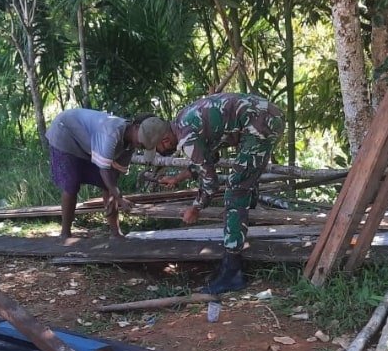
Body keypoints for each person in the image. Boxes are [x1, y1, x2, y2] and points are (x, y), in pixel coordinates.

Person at [156, 93, 284, 294]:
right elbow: (208, 156)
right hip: (262, 117)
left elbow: (210, 182)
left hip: (260, 123)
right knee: (242, 183)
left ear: (164, 140)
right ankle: (230, 262)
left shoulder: (186, 137)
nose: (160, 151)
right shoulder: (182, 120)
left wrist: (196, 207)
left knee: (236, 191)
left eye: (158, 147)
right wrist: (178, 178)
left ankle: (233, 272)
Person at [46, 109, 171, 238]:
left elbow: (113, 176)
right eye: (141, 141)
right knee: (72, 184)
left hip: (88, 144)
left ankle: (116, 233)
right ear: (136, 127)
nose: (139, 145)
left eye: (143, 145)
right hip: (65, 132)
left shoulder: (130, 146)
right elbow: (104, 170)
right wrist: (119, 198)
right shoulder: (111, 133)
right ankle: (65, 233)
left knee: (107, 185)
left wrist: (113, 196)